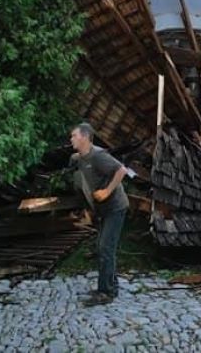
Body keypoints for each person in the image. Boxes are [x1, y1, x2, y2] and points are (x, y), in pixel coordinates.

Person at [69, 122, 128, 307]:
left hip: (115, 207)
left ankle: (106, 293)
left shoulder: (98, 156)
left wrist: (107, 192)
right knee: (103, 247)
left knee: (105, 248)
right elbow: (78, 166)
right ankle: (111, 286)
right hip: (103, 210)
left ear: (85, 137)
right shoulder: (81, 157)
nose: (71, 139)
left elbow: (121, 170)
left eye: (74, 136)